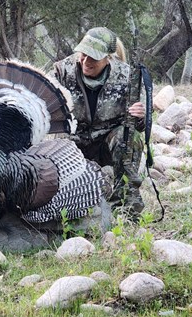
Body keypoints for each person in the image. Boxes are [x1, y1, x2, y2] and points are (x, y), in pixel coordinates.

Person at [51, 27, 146, 213]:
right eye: (83, 54)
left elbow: (140, 127)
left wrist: (140, 117)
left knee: (128, 136)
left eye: (93, 57)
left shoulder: (128, 76)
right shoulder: (61, 71)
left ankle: (125, 201)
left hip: (105, 146)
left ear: (108, 57)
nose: (85, 61)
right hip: (72, 145)